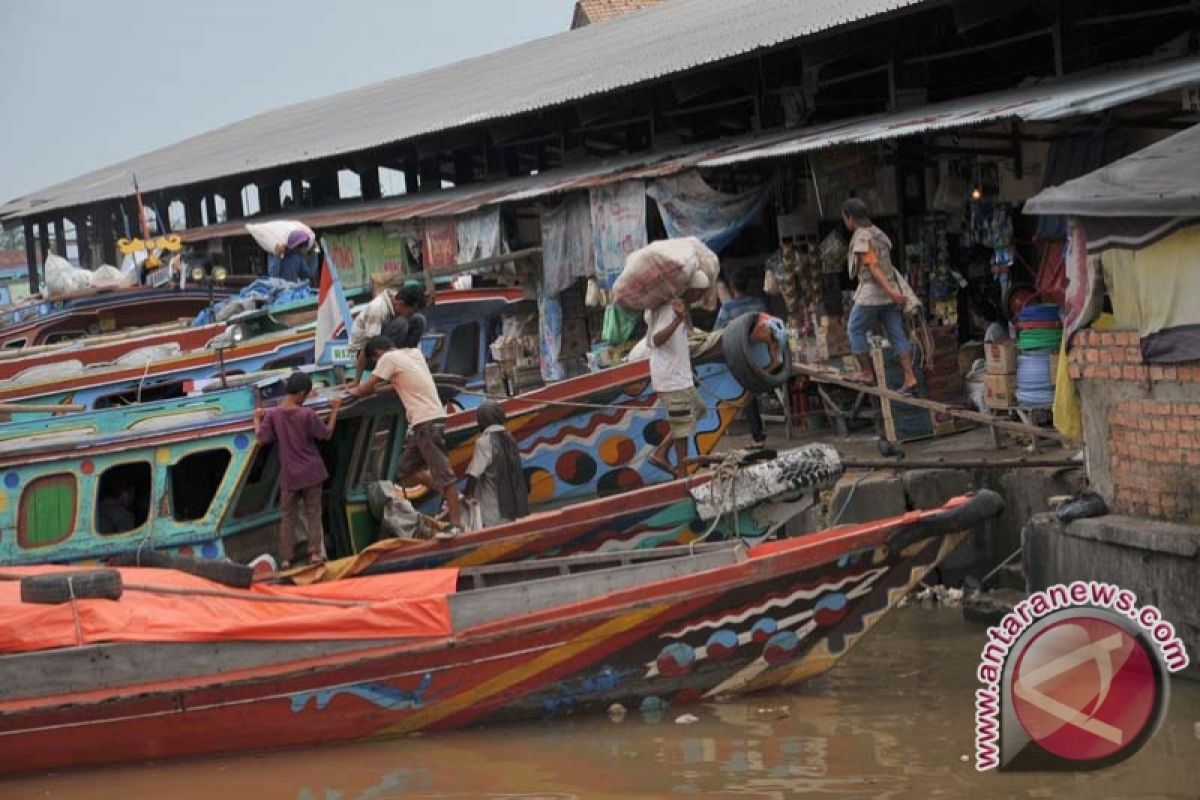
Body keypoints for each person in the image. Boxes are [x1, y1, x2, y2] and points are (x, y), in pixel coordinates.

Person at [350, 335, 464, 538]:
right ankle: (454, 496)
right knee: (404, 469)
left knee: (443, 472)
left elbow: (366, 388)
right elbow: (397, 385)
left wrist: (355, 389)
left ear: (377, 355)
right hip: (430, 420)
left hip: (426, 422)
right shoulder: (413, 354)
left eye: (375, 362)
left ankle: (456, 524)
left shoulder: (388, 358)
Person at [253, 371, 341, 568]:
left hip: (289, 475)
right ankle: (315, 554)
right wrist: (334, 410)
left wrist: (257, 419)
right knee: (313, 514)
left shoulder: (273, 415)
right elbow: (326, 434)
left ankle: (285, 559)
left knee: (288, 519)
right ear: (302, 393)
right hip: (312, 472)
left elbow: (262, 439)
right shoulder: (307, 414)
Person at [842, 198, 918, 394]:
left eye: (845, 218)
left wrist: (891, 292)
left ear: (850, 218)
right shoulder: (879, 233)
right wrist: (892, 292)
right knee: (896, 333)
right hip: (889, 291)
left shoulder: (862, 236)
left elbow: (873, 267)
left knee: (854, 329)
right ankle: (910, 377)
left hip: (874, 292)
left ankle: (867, 373)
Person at [646, 272, 709, 479]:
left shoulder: (682, 307)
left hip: (681, 375)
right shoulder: (670, 308)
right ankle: (683, 475)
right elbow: (656, 339)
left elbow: (685, 336)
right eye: (699, 292)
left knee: (697, 410)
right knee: (682, 428)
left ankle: (661, 452)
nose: (701, 296)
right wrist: (678, 320)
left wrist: (685, 318)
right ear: (691, 290)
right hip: (671, 378)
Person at [714, 270, 768, 446]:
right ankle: (758, 434)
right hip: (763, 358)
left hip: (742, 358)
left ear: (731, 287)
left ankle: (757, 436)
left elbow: (717, 333)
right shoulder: (759, 304)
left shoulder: (728, 309)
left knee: (747, 394)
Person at [464, 401, 529, 528]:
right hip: (513, 504)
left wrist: (467, 495)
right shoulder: (510, 438)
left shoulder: (484, 442)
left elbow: (474, 474)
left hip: (493, 508)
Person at [348, 284, 428, 381]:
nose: (410, 315)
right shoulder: (377, 309)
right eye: (410, 312)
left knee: (419, 320)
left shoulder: (397, 300)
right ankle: (394, 367)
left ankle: (407, 364)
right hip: (365, 356)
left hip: (387, 349)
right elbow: (369, 347)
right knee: (401, 323)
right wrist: (357, 381)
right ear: (401, 304)